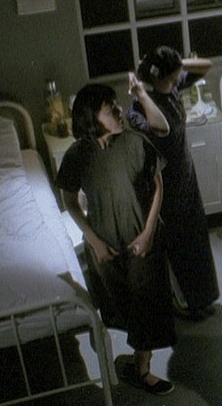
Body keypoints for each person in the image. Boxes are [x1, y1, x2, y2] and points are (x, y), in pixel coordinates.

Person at [57, 83, 175, 395]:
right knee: (119, 305)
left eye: (117, 105)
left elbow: (158, 185)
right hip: (105, 243)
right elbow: (69, 200)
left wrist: (149, 233)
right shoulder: (78, 156)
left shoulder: (136, 143)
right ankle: (132, 361)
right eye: (111, 109)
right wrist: (93, 240)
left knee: (147, 303)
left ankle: (142, 369)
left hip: (141, 239)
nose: (120, 111)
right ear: (91, 118)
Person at [126, 46, 220, 320]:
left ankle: (201, 298)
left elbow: (207, 64)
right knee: (176, 244)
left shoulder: (173, 87)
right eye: (174, 73)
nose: (180, 76)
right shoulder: (139, 108)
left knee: (196, 240)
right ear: (162, 78)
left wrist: (178, 63)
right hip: (163, 183)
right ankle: (182, 302)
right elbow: (162, 128)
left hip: (185, 176)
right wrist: (142, 93)